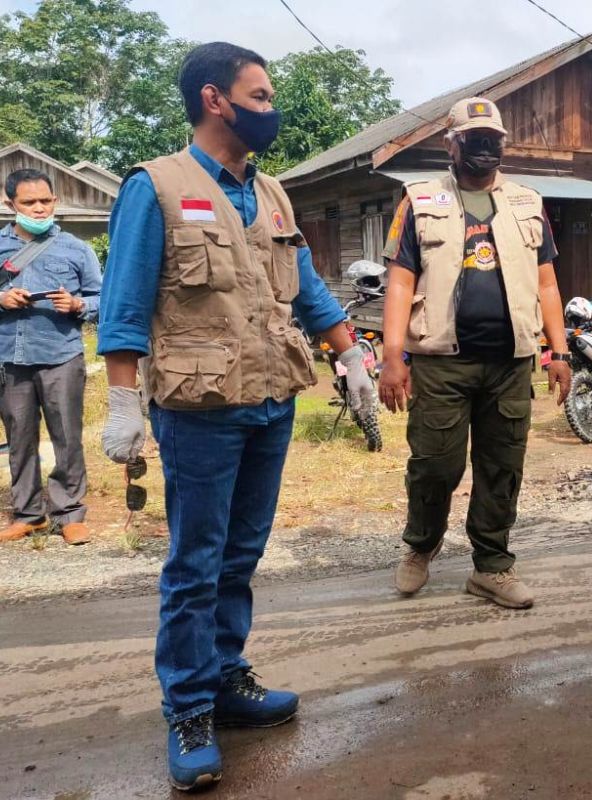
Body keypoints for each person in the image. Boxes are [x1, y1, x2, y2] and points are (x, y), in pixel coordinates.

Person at [97, 42, 375, 791]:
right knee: (195, 565)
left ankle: (224, 678)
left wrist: (351, 359)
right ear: (216, 100)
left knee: (240, 556)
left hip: (270, 401)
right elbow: (123, 306)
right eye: (260, 94)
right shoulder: (155, 186)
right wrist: (124, 402)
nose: (271, 107)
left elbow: (308, 289)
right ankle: (188, 708)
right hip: (198, 409)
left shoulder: (274, 192)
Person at [377, 97, 571, 611]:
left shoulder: (528, 202)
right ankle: (421, 546)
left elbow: (547, 284)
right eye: (474, 140)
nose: (485, 150)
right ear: (452, 143)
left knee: (502, 465)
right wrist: (391, 356)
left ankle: (492, 566)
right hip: (442, 362)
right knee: (435, 465)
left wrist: (560, 351)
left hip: (510, 364)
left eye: (493, 141)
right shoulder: (418, 201)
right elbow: (400, 284)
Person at [0, 169, 101, 545]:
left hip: (61, 356)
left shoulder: (76, 248)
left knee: (67, 437)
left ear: (55, 201)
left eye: (46, 201)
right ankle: (28, 514)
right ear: (11, 204)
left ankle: (69, 513)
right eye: (29, 203)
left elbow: (102, 298)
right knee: (19, 439)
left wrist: (77, 304)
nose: (40, 209)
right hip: (10, 358)